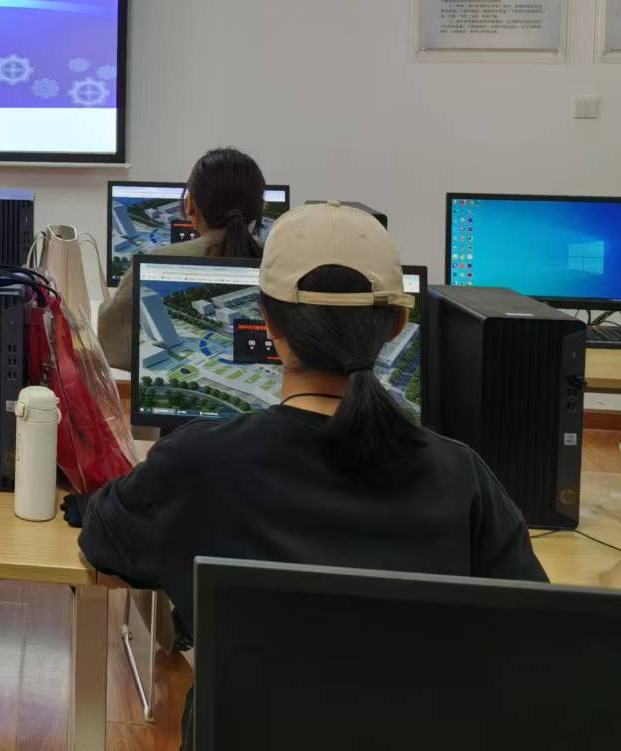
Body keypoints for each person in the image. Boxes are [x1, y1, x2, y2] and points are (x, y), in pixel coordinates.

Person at [80, 202, 545, 747]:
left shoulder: (196, 465)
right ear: (398, 324)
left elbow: (102, 540)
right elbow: (533, 634)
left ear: (267, 320)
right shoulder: (461, 477)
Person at [97, 147, 269, 371]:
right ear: (260, 207)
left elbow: (112, 349)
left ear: (190, 205)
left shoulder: (156, 260)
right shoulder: (283, 261)